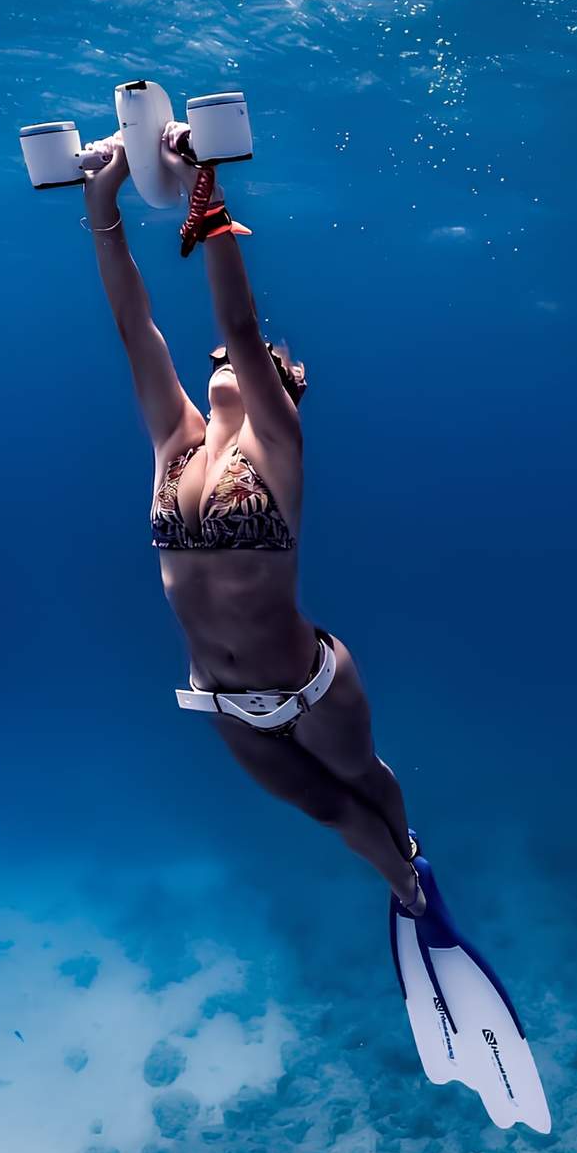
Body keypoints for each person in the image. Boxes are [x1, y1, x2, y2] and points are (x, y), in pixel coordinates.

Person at [77, 126, 424, 914]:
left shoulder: (279, 442)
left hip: (311, 688)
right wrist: (105, 201)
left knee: (364, 783)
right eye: (218, 362)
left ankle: (413, 878)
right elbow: (137, 328)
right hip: (224, 703)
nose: (223, 358)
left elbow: (237, 323)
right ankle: (404, 890)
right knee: (331, 810)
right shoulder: (176, 438)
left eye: (256, 358)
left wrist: (208, 183)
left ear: (283, 384)